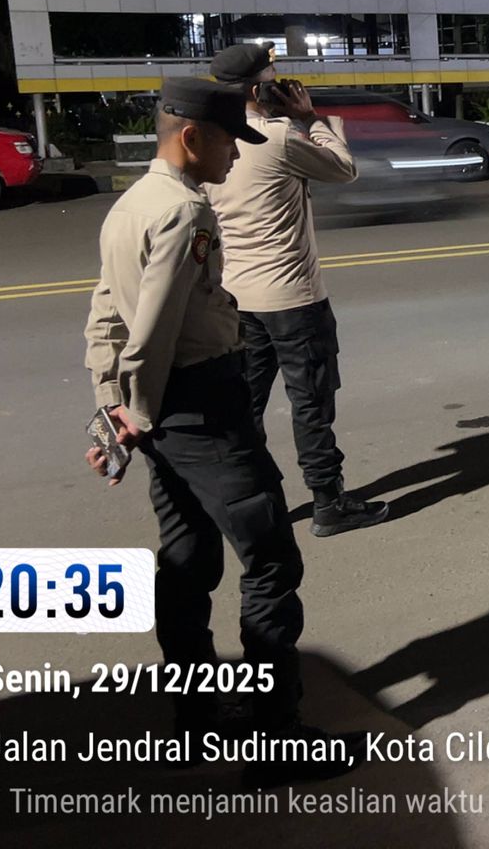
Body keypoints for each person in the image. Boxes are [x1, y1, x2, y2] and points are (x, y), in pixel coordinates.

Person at [83, 78, 349, 776]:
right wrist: (136, 411)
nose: (236, 154)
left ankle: (196, 724)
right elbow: (153, 330)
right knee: (270, 561)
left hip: (162, 413)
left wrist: (115, 405)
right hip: (201, 406)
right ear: (193, 136)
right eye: (231, 141)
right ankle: (278, 738)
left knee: (187, 563)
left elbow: (106, 314)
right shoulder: (186, 212)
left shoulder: (131, 204)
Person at [205, 43, 387, 538]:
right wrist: (310, 118)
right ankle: (329, 503)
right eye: (274, 82)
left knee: (246, 408)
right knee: (311, 404)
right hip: (292, 299)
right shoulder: (277, 137)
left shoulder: (213, 140)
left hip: (237, 297)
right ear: (258, 90)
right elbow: (343, 168)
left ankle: (253, 503)